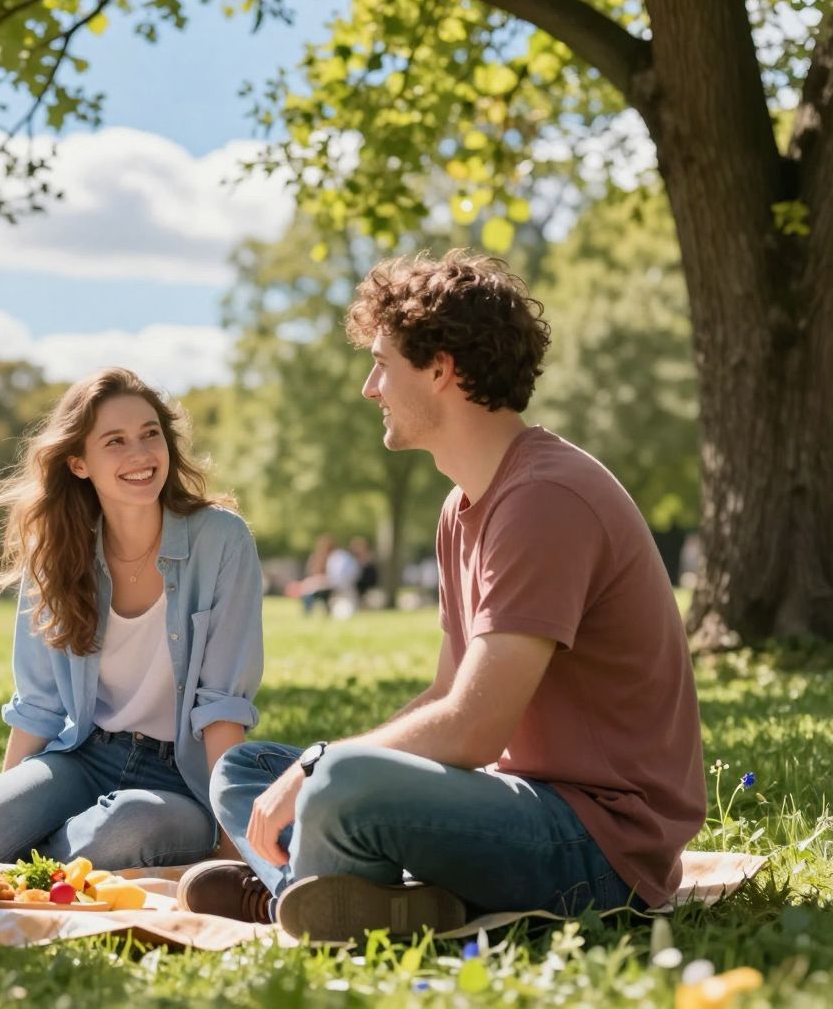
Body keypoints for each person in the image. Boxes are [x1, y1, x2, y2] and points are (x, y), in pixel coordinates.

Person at [181, 251, 705, 943]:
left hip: (598, 845)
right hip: (519, 804)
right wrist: (315, 764)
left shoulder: (543, 499)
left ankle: (302, 895)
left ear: (441, 368)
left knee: (336, 781)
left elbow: (473, 728)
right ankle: (346, 896)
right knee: (248, 769)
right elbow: (445, 694)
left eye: (382, 363)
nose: (371, 388)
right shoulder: (463, 508)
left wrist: (321, 765)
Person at [0, 368, 264, 869]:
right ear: (78, 463)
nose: (140, 455)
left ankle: (54, 853)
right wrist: (8, 815)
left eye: (150, 434)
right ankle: (51, 850)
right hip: (82, 757)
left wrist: (232, 851)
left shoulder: (222, 540)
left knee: (124, 828)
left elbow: (222, 708)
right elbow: (39, 706)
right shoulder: (55, 550)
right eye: (115, 441)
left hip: (179, 779)